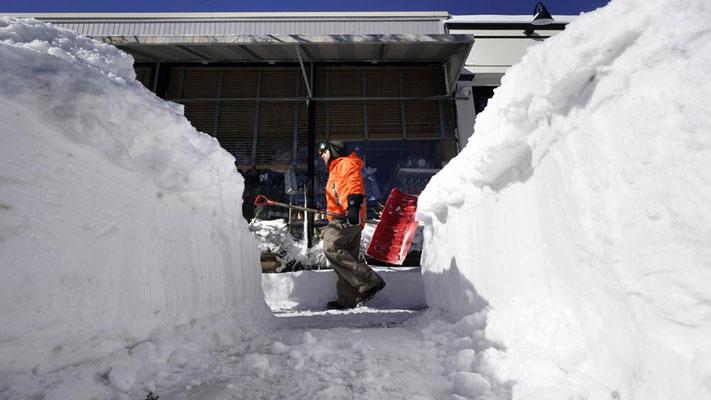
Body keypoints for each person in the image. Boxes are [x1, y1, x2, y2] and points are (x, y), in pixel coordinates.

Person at [319, 141, 385, 310]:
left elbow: (354, 183)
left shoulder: (345, 163)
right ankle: (347, 299)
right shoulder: (336, 167)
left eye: (324, 151)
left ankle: (370, 281)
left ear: (334, 151)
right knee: (347, 256)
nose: (321, 155)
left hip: (345, 217)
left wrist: (353, 207)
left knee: (331, 248)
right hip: (346, 216)